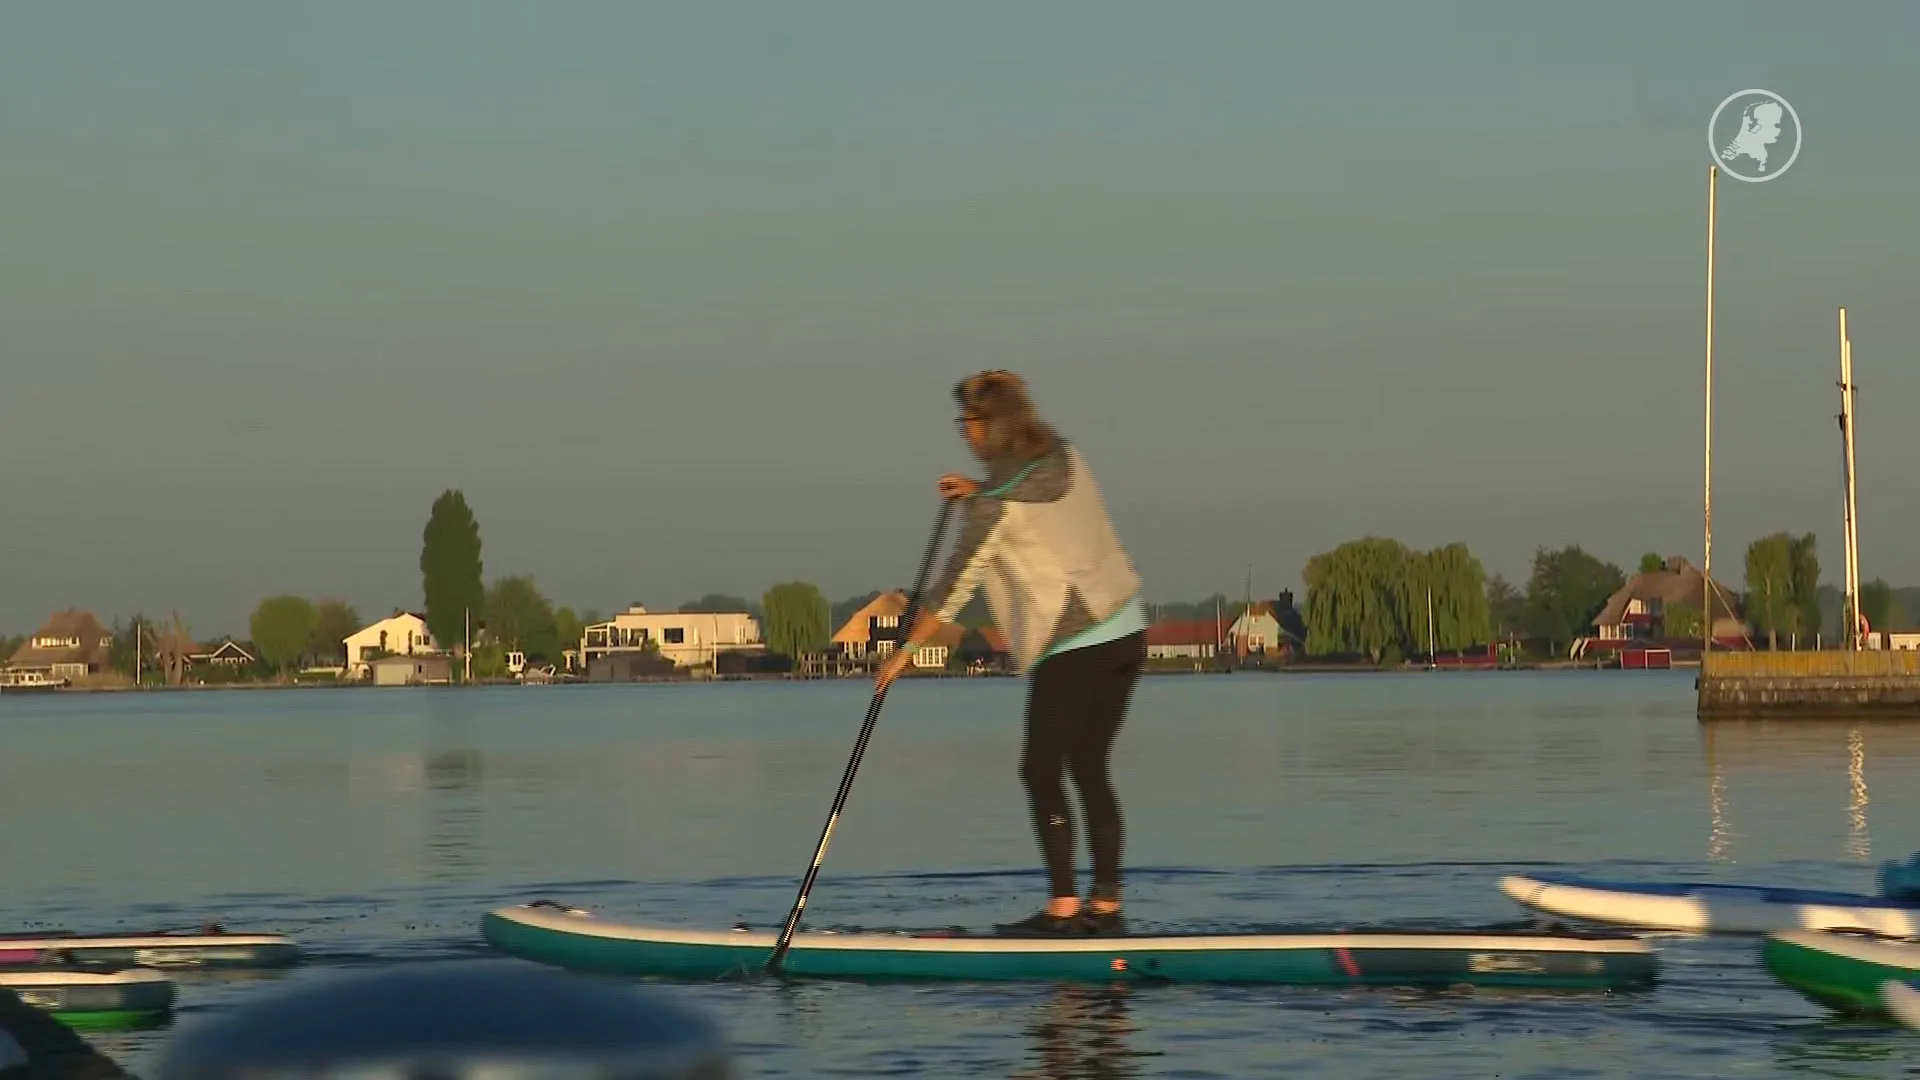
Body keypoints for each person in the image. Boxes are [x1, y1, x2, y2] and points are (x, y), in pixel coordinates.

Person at [875, 370, 1148, 937]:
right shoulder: (1065, 458)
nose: (965, 434)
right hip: (1125, 632)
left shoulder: (994, 510)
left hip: (1074, 645)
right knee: (1089, 768)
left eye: (971, 424)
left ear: (995, 427)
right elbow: (1033, 492)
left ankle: (1063, 908)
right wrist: (979, 491)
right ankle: (1106, 903)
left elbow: (955, 584)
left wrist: (904, 652)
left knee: (1041, 771)